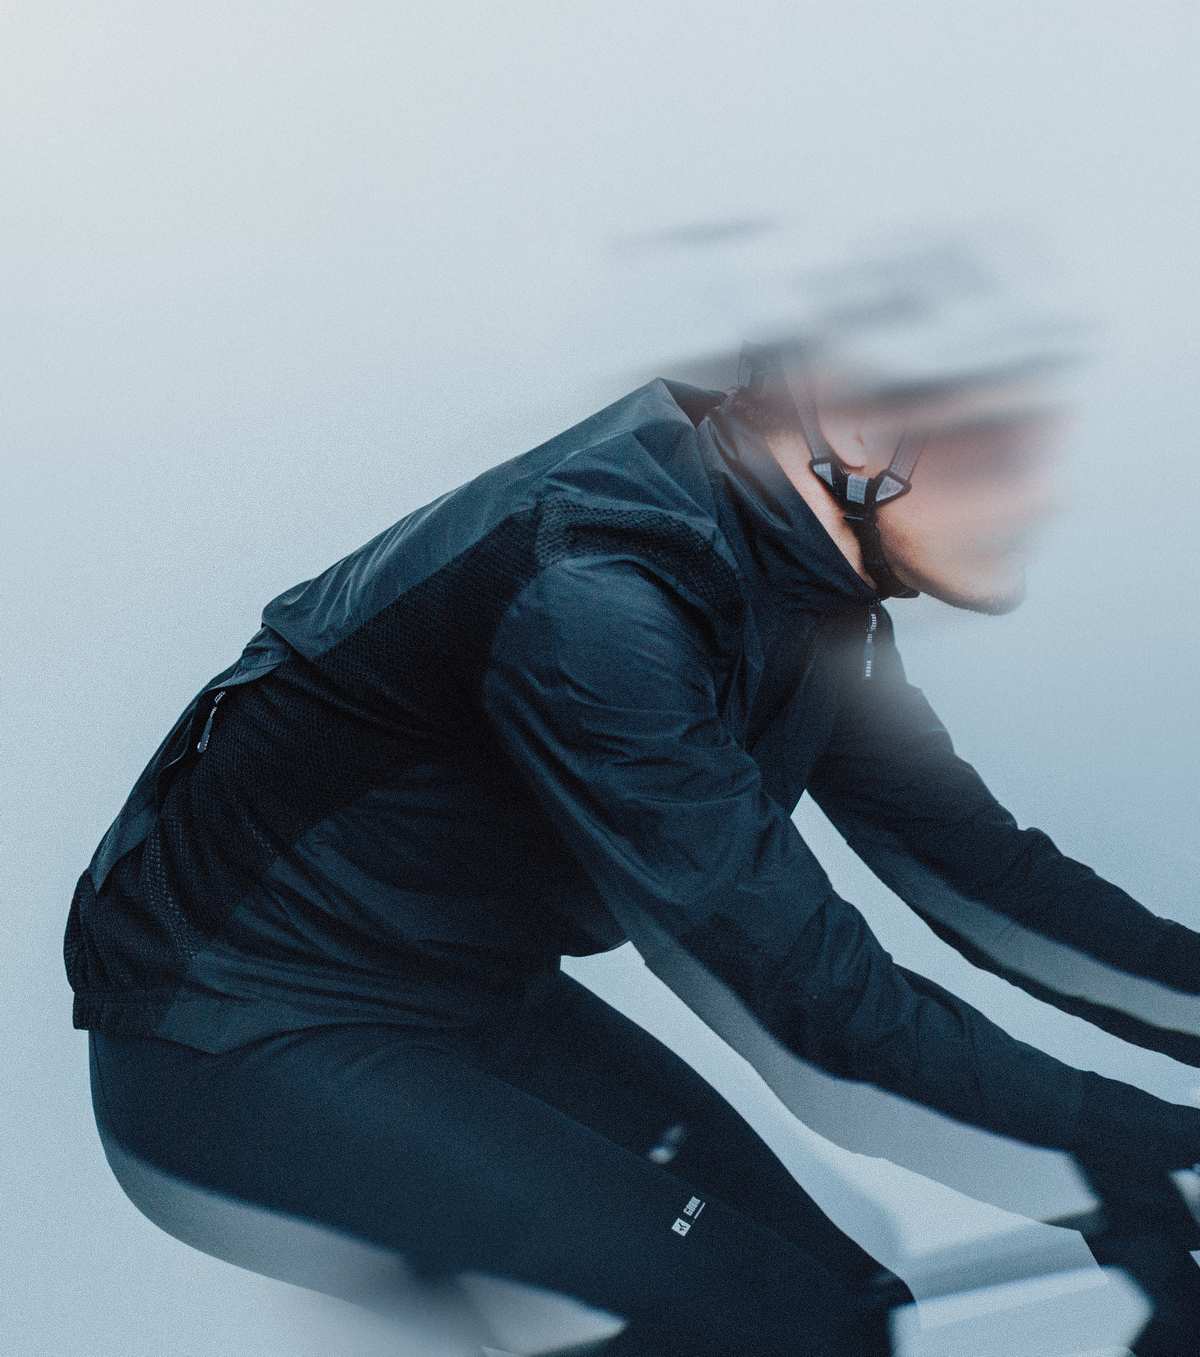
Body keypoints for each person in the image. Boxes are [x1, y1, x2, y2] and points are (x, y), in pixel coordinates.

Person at [66, 244, 1200, 1355]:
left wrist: (1133, 1162)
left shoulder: (814, 593)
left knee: (851, 1305)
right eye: (999, 453)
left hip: (461, 999)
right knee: (781, 1329)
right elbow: (818, 1020)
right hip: (228, 1051)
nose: (1041, 497)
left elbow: (987, 883)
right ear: (856, 428)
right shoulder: (597, 600)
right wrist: (1140, 1156)